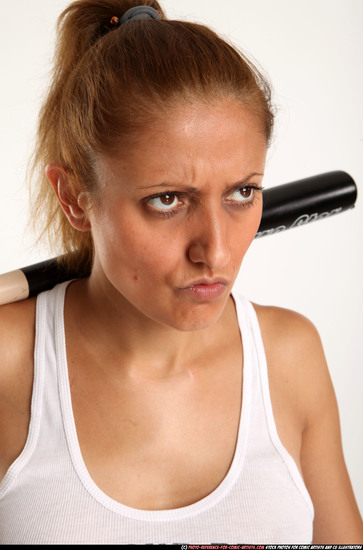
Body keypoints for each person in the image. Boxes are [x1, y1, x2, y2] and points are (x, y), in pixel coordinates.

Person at [0, 0, 362, 544]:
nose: (215, 252)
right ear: (75, 197)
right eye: (168, 199)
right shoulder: (9, 365)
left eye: (243, 192)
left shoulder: (290, 357)